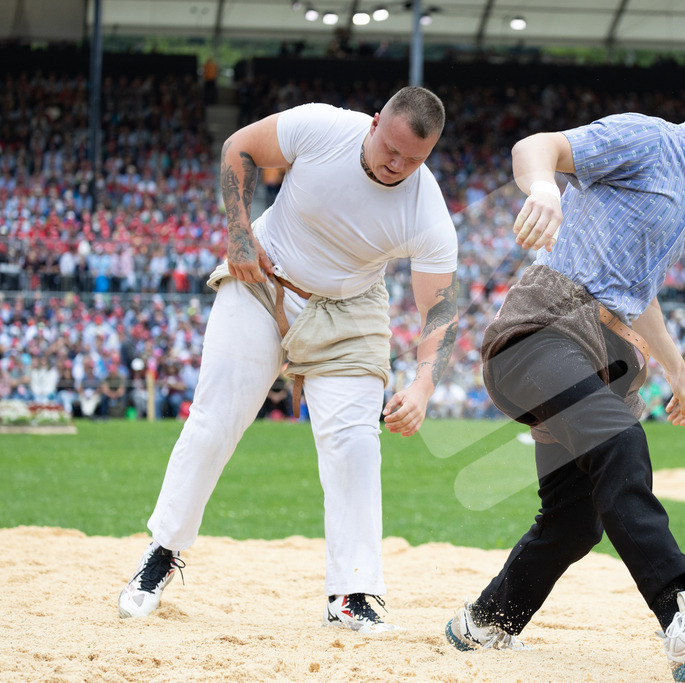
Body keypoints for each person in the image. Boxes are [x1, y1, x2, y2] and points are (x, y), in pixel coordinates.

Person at [442, 81, 685, 682]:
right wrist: (546, 189)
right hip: (539, 334)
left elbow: (638, 293)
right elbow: (536, 145)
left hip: (595, 354)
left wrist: (678, 370)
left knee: (576, 520)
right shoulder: (650, 140)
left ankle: (486, 623)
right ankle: (680, 622)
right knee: (622, 446)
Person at [118, 86, 459, 633]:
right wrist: (237, 233)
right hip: (264, 277)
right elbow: (238, 147)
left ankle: (352, 593)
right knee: (214, 419)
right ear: (374, 123)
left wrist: (421, 386)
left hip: (348, 310)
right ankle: (161, 553)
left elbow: (439, 308)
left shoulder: (427, 211)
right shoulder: (322, 127)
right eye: (390, 149)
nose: (397, 165)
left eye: (413, 159)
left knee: (353, 445)